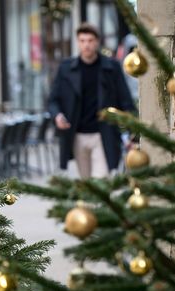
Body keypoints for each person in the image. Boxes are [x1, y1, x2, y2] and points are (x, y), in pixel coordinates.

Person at [47, 23, 136, 179]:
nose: (86, 45)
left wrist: (129, 133)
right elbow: (53, 100)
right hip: (77, 135)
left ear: (97, 42)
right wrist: (57, 116)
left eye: (90, 40)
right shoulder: (66, 69)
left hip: (103, 134)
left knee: (101, 181)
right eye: (82, 40)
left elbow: (125, 101)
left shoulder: (111, 68)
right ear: (78, 42)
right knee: (86, 183)